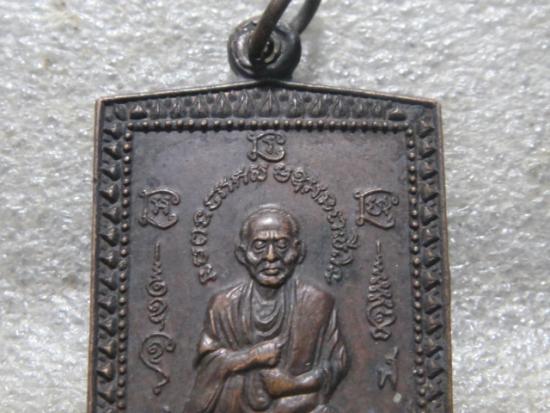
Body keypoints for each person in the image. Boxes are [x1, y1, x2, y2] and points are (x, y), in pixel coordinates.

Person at [184, 204, 349, 413]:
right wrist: (251, 357)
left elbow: (336, 364)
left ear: (298, 251)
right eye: (259, 246)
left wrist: (292, 385)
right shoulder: (223, 306)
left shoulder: (317, 303)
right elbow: (206, 366)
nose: (271, 257)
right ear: (242, 254)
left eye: (282, 245)